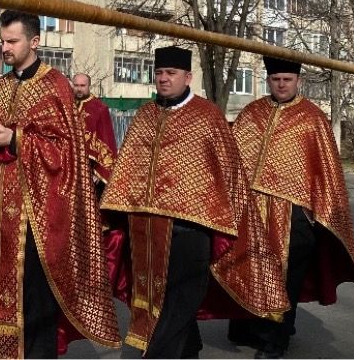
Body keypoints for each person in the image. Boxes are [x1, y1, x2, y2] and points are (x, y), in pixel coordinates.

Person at [0, 10, 119, 358]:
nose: (5, 48)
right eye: (2, 41)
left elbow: (66, 152)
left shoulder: (55, 87)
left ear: (35, 42)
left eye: (12, 41)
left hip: (34, 217)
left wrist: (16, 138)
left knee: (33, 303)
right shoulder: (1, 87)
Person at [101, 46, 287, 358]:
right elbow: (128, 168)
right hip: (145, 232)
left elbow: (228, 172)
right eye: (159, 73)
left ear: (188, 77)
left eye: (170, 73)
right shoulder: (146, 114)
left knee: (178, 302)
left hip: (190, 232)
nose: (163, 79)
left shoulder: (207, 115)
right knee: (157, 302)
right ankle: (188, 349)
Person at [229, 56, 354, 359]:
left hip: (296, 216)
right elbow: (234, 159)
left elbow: (327, 171)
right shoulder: (252, 113)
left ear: (298, 81)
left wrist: (320, 212)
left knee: (286, 276)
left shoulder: (312, 118)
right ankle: (248, 326)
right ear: (269, 80)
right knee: (250, 268)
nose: (281, 84)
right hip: (252, 211)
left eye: (287, 79)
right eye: (276, 79)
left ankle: (276, 339)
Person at [72, 73, 118, 155]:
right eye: (76, 85)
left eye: (82, 86)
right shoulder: (66, 105)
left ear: (89, 86)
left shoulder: (100, 108)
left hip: (90, 161)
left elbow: (106, 139)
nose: (79, 89)